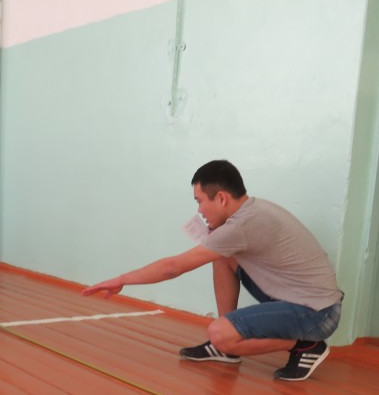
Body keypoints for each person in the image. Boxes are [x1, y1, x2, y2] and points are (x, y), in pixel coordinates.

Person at [83, 160, 343, 381]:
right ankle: (227, 349)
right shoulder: (251, 211)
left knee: (219, 334)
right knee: (221, 256)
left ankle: (306, 345)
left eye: (200, 201)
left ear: (221, 198)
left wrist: (122, 280)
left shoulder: (241, 226)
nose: (199, 210)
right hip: (302, 299)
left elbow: (173, 267)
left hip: (317, 314)